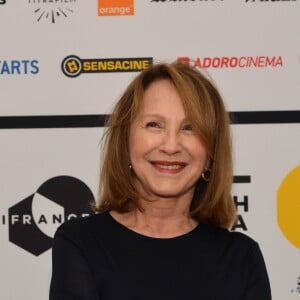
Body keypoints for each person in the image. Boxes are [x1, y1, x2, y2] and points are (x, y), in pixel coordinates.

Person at [49, 62, 272, 300]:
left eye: (190, 128)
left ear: (211, 154)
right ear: (126, 141)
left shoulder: (241, 258)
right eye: (154, 125)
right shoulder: (80, 244)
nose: (171, 146)